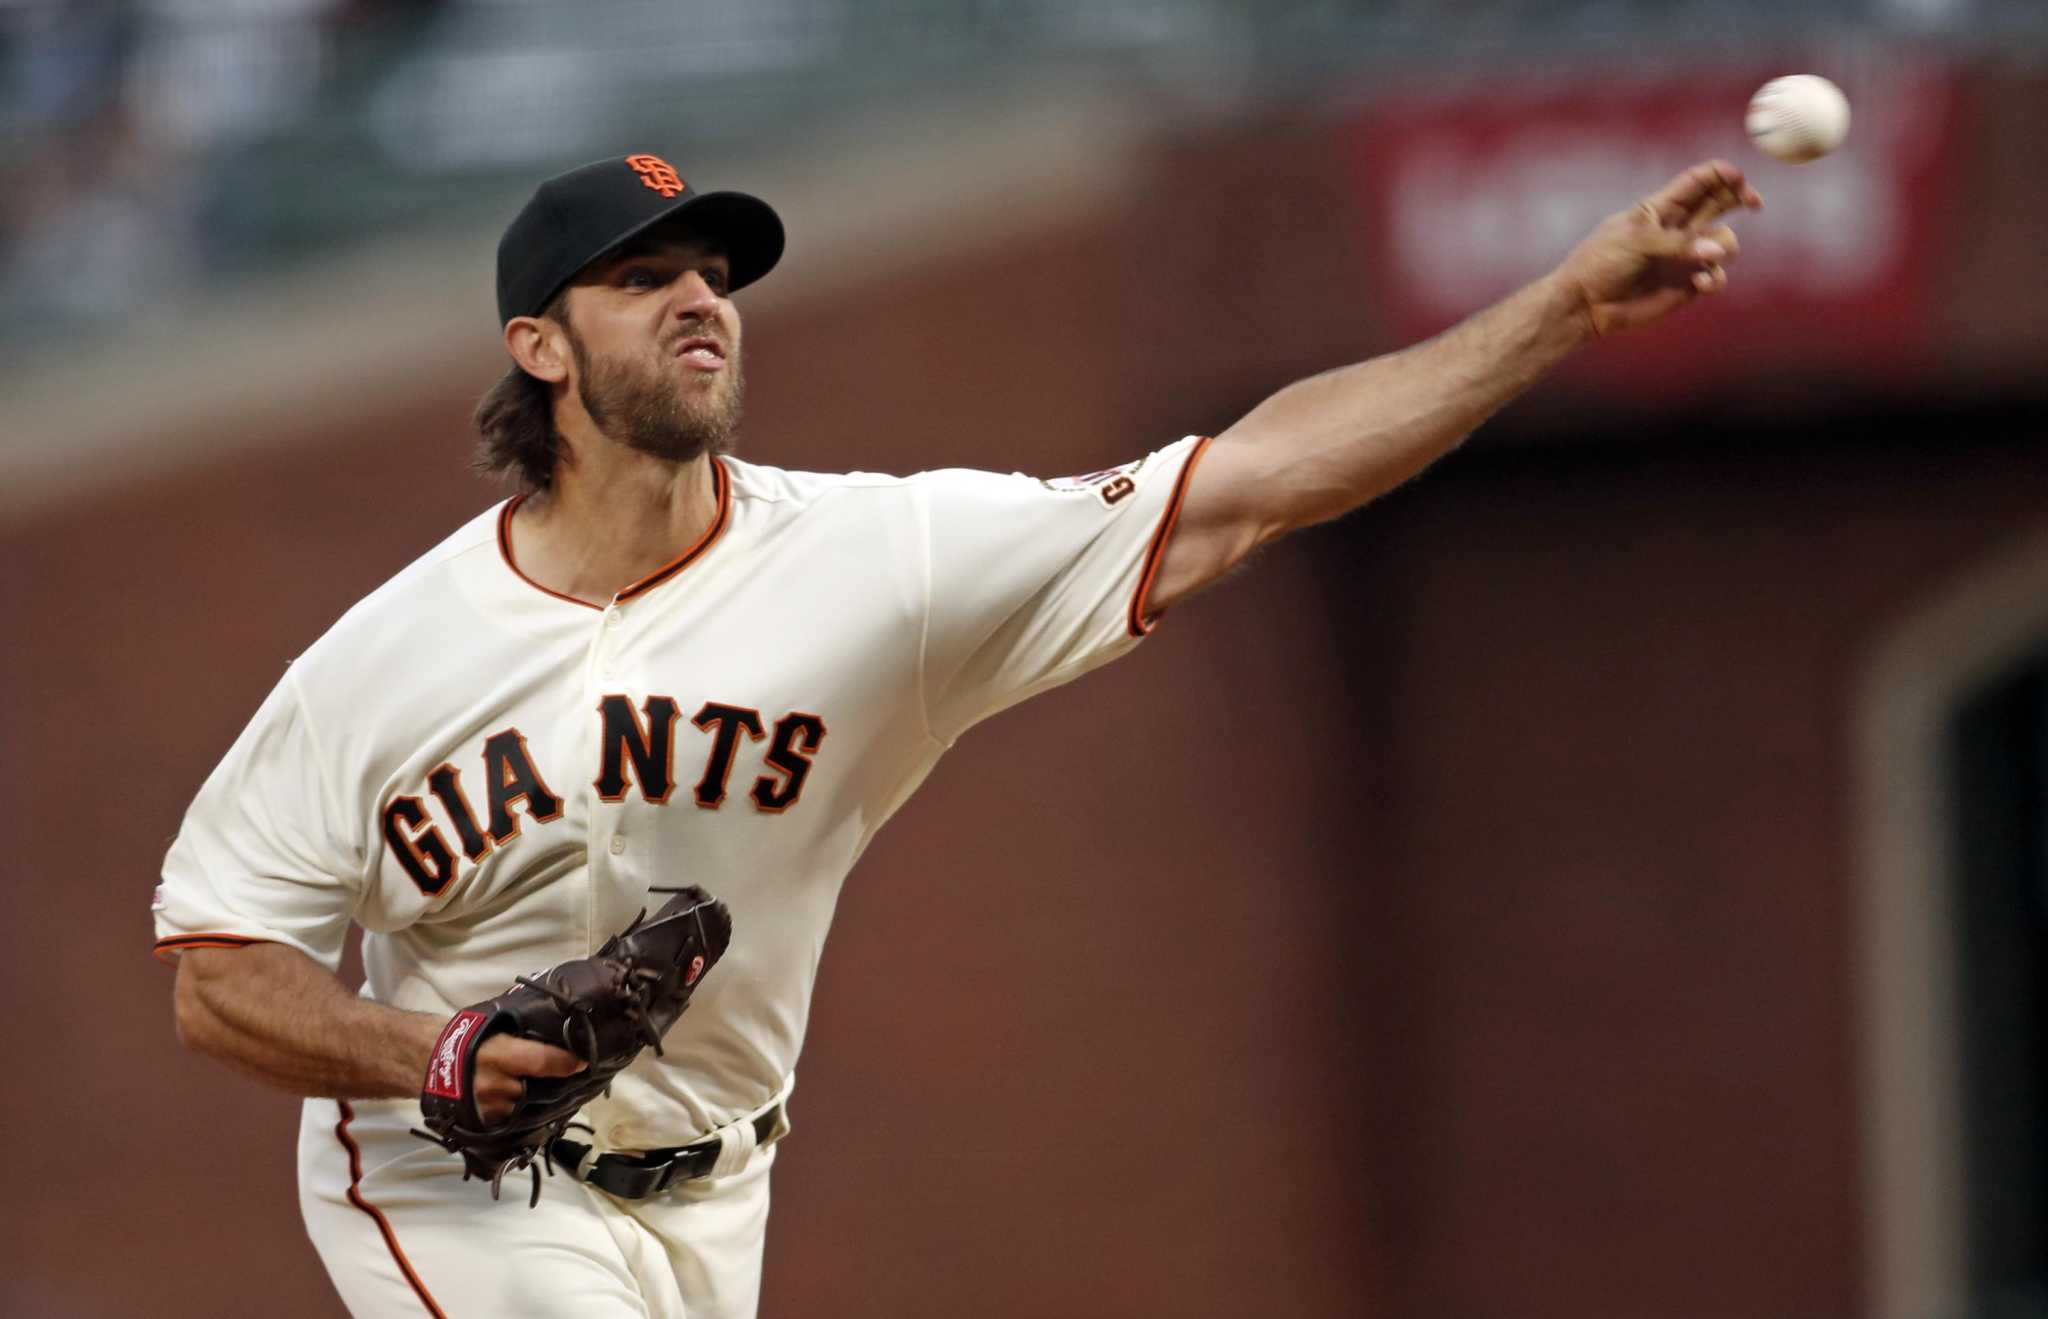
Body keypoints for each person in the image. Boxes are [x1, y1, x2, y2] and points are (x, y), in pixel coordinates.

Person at [154, 150, 1761, 1318]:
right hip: (453, 1180)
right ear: (540, 349)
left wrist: (1556, 309)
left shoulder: (880, 562)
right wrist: (423, 1053)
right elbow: (219, 973)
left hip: (718, 1189)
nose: (700, 301)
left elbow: (1250, 486)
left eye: (714, 274)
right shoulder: (382, 659)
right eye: (643, 278)